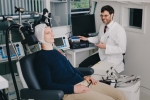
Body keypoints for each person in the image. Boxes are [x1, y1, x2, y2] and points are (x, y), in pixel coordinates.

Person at [33, 23, 127, 100]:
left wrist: (85, 76)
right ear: (40, 37)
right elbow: (46, 85)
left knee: (120, 95)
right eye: (48, 33)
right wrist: (73, 89)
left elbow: (71, 70)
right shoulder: (42, 58)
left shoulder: (57, 52)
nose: (52, 34)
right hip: (70, 91)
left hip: (83, 82)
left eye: (52, 31)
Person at [78, 5, 127, 73]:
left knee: (98, 73)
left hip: (112, 58)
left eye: (106, 15)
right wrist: (87, 39)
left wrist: (106, 47)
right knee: (82, 66)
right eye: (102, 15)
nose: (103, 18)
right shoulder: (103, 26)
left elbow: (122, 49)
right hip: (101, 54)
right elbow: (99, 38)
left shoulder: (119, 30)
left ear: (112, 15)